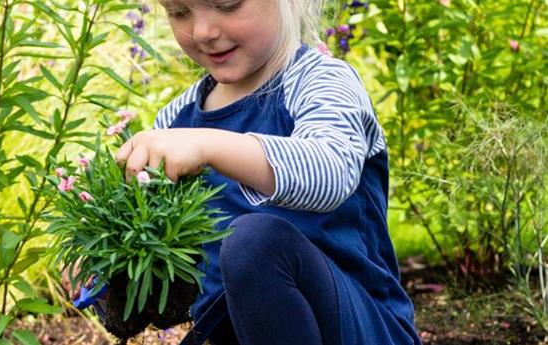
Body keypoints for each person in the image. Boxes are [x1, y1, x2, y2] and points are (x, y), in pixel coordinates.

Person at [75, 0, 423, 343]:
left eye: (227, 5)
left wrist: (209, 146)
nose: (202, 31)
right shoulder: (176, 120)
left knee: (255, 242)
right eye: (180, 12)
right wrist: (111, 271)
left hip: (359, 328)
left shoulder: (322, 81)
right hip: (235, 332)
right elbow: (175, 266)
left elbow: (330, 172)